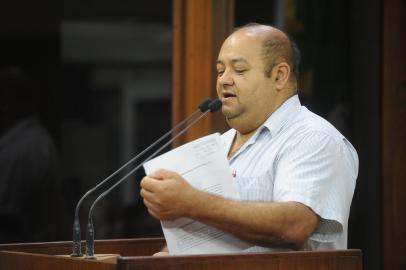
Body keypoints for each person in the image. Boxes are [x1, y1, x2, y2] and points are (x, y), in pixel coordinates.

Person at [140, 23, 358, 254]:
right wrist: (167, 255)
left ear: (279, 76)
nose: (224, 80)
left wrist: (192, 203)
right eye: (220, 70)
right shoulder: (219, 145)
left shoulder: (313, 138)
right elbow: (203, 230)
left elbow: (294, 226)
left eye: (239, 70)